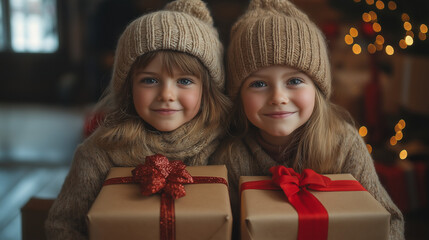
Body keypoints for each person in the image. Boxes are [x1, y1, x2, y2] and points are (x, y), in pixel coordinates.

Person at [210, 0, 404, 239]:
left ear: (317, 89)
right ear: (238, 95)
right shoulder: (230, 157)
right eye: (258, 84)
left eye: (294, 81)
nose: (278, 98)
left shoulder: (343, 143)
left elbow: (388, 220)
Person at [45, 0, 230, 239]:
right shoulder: (98, 154)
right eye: (150, 80)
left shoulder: (225, 146)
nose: (166, 95)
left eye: (184, 81)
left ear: (208, 90)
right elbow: (62, 226)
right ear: (127, 87)